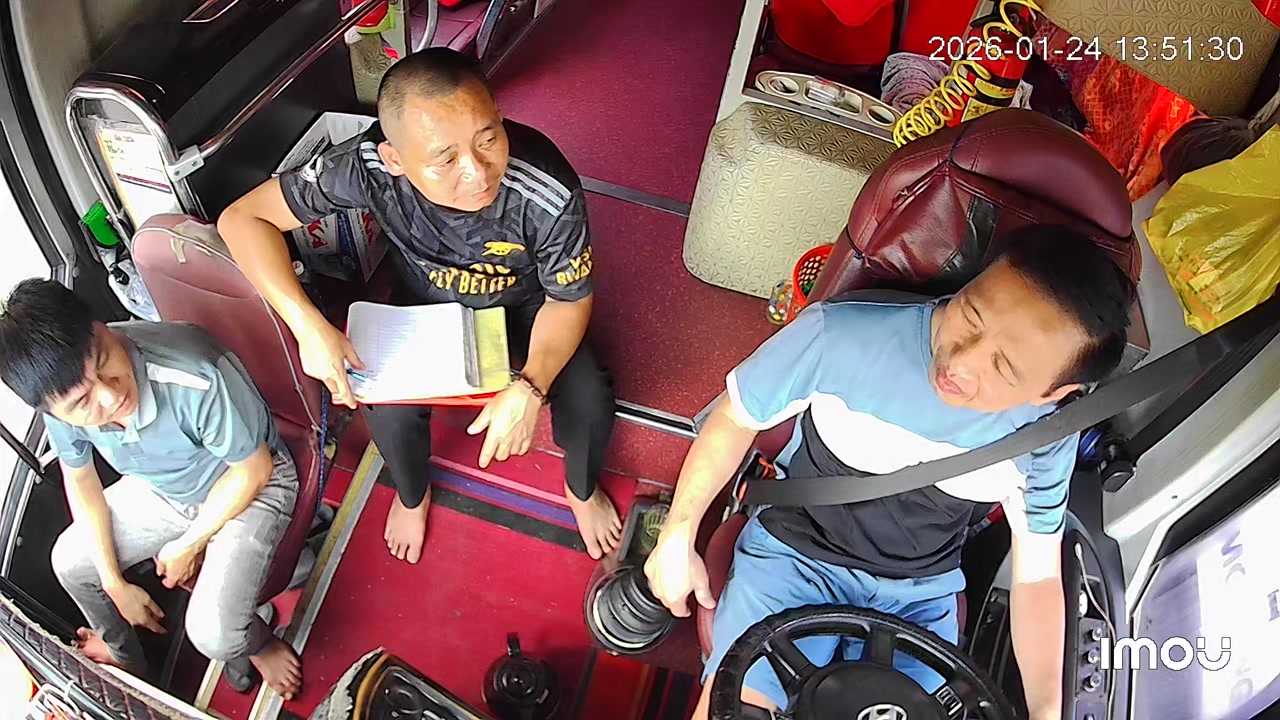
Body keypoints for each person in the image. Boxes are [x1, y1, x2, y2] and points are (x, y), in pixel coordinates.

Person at [644, 226, 1137, 720]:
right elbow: (736, 418)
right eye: (971, 314)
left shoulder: (1046, 434)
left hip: (920, 595)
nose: (960, 362)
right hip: (794, 558)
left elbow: (1038, 576)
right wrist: (677, 534)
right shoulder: (841, 335)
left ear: (1052, 394)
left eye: (1004, 367)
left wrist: (1048, 709)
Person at [218, 47, 620, 564]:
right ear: (395, 160)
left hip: (525, 308)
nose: (478, 173)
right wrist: (307, 326)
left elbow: (568, 301)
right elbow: (242, 220)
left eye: (488, 138)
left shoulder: (545, 190)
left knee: (590, 396)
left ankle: (580, 490)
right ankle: (412, 495)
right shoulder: (367, 167)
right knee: (385, 408)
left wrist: (531, 385)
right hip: (422, 305)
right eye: (445, 160)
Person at [0, 279, 303, 699]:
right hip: (166, 489)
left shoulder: (193, 370)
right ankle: (127, 658)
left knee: (213, 634)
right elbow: (81, 480)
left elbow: (254, 469)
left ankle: (260, 643)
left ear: (99, 326)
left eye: (103, 360)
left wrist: (189, 544)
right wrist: (114, 583)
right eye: (82, 403)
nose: (110, 397)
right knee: (71, 563)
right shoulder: (61, 403)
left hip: (248, 479)